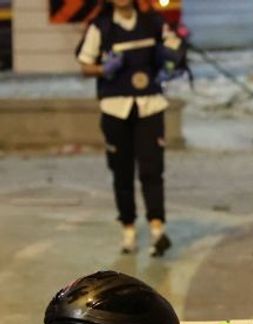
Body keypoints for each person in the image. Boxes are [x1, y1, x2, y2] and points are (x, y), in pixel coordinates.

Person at [75, 0, 184, 257]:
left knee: (152, 169)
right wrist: (103, 69)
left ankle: (157, 229)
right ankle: (128, 229)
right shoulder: (101, 27)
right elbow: (84, 65)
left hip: (149, 105)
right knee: (121, 172)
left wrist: (172, 64)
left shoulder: (152, 22)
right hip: (115, 108)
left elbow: (175, 49)